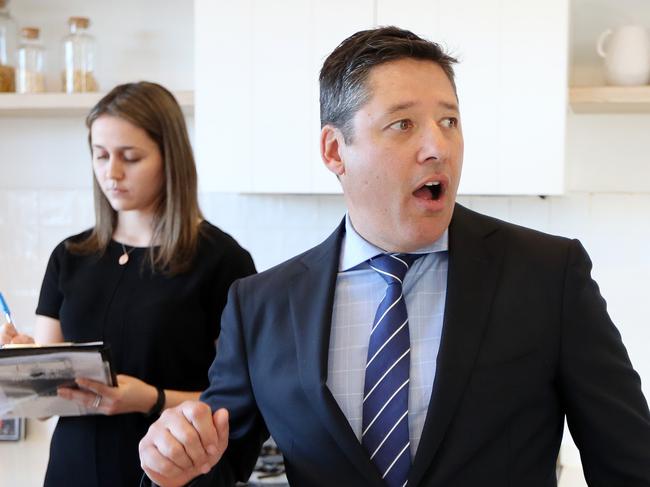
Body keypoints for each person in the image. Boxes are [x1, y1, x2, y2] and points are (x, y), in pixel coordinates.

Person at [138, 27, 650, 487]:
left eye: (449, 120)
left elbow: (630, 463)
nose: (438, 146)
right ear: (335, 151)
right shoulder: (261, 306)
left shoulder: (548, 276)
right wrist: (170, 468)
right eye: (403, 124)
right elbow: (211, 467)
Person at [0, 81, 256, 486]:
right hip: (73, 470)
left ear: (169, 158)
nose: (111, 172)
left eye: (130, 157)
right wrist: (27, 366)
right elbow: (46, 406)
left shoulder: (223, 261)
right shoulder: (69, 256)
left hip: (173, 477)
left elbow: (242, 402)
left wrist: (150, 398)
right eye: (100, 156)